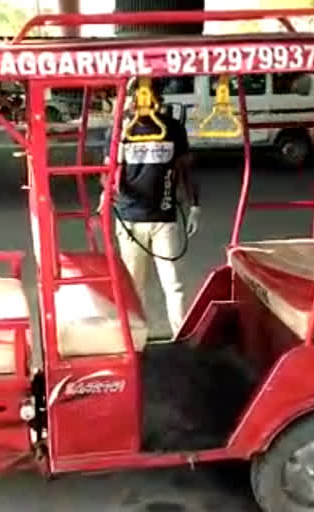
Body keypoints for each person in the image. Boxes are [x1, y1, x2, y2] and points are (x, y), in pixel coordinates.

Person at [101, 77, 200, 335]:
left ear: (158, 98)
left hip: (164, 218)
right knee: (134, 287)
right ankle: (138, 340)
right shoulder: (118, 132)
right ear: (131, 100)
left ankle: (181, 336)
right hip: (130, 219)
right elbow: (107, 174)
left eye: (150, 94)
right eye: (138, 96)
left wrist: (194, 206)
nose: (144, 101)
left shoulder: (173, 128)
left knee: (174, 285)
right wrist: (118, 150)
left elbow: (186, 168)